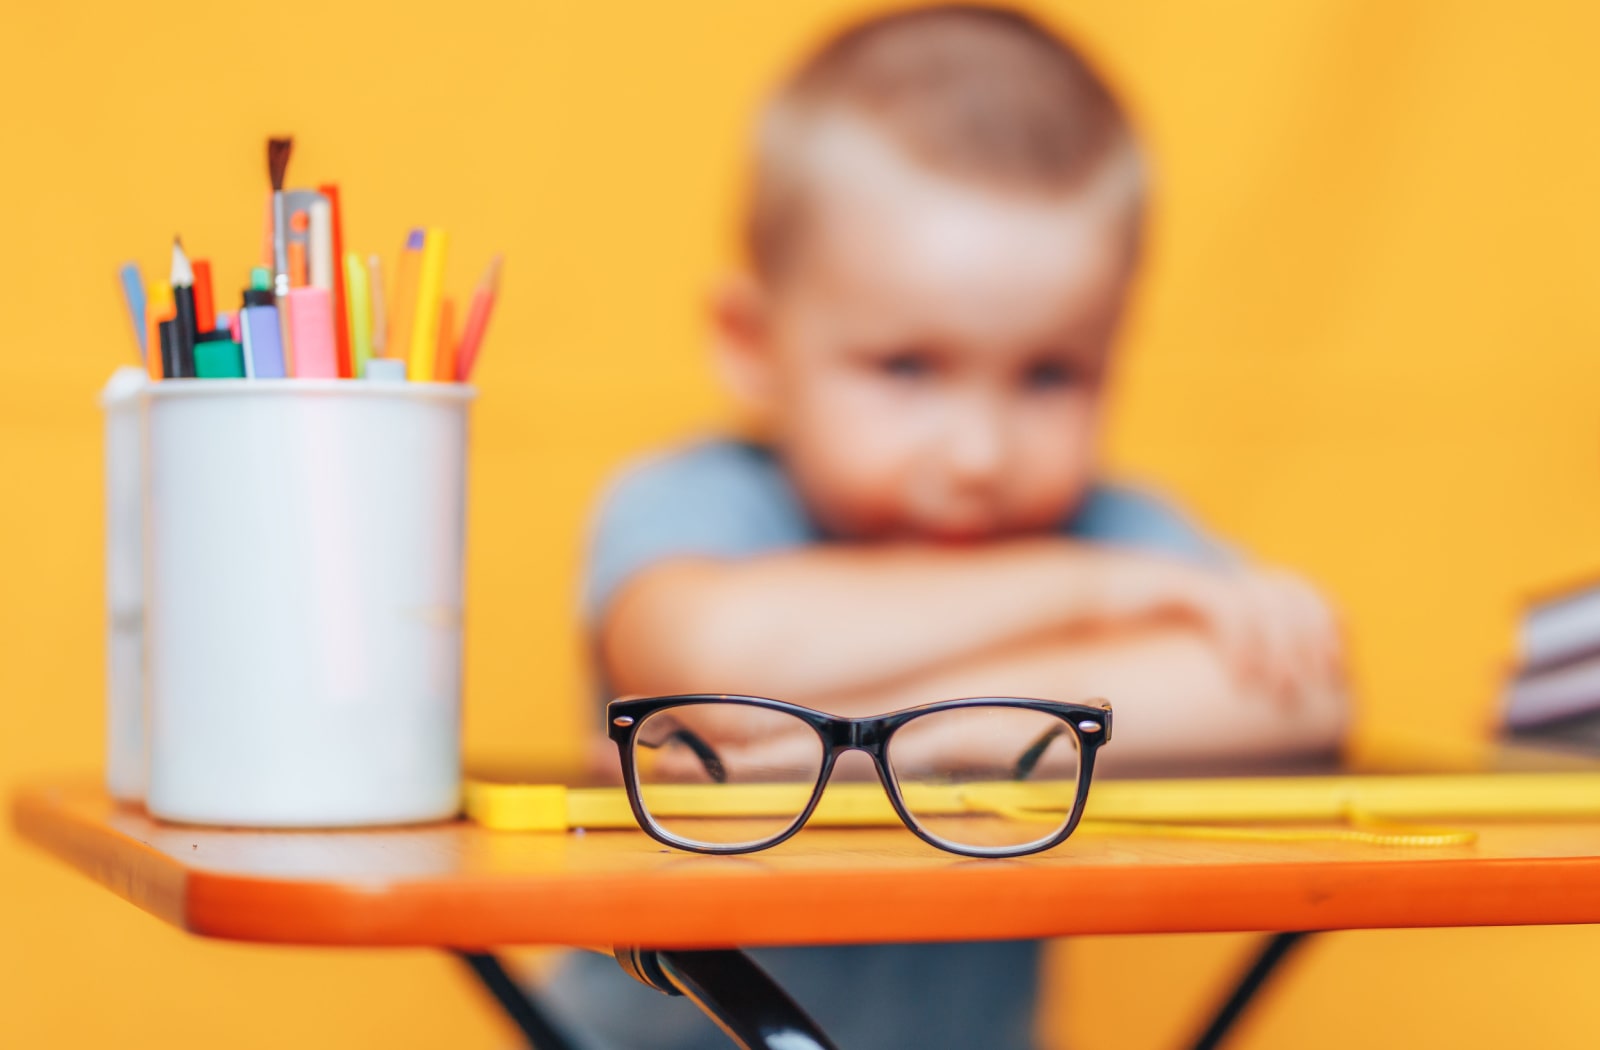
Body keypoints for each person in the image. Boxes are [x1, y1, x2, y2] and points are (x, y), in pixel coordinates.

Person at [544, 5, 1347, 1048]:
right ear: (751, 343)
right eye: (907, 368)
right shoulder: (700, 500)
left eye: (1050, 374)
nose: (978, 454)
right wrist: (1084, 596)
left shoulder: (1095, 520)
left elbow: (1301, 694)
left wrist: (882, 743)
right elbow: (705, 656)